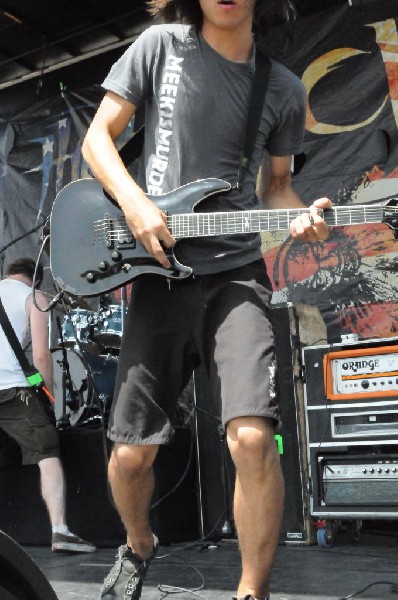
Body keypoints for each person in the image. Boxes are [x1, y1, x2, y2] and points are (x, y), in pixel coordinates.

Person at [82, 1, 332, 598]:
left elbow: (276, 189)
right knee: (131, 455)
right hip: (159, 273)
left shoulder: (282, 88)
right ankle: (139, 543)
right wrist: (137, 203)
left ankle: (252, 590)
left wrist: (306, 220)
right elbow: (98, 138)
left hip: (237, 274)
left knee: (251, 437)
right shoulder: (160, 45)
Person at [0, 258, 96, 554]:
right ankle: (60, 531)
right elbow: (41, 355)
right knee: (47, 453)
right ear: (36, 279)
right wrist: (48, 397)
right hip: (14, 391)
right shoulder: (35, 297)